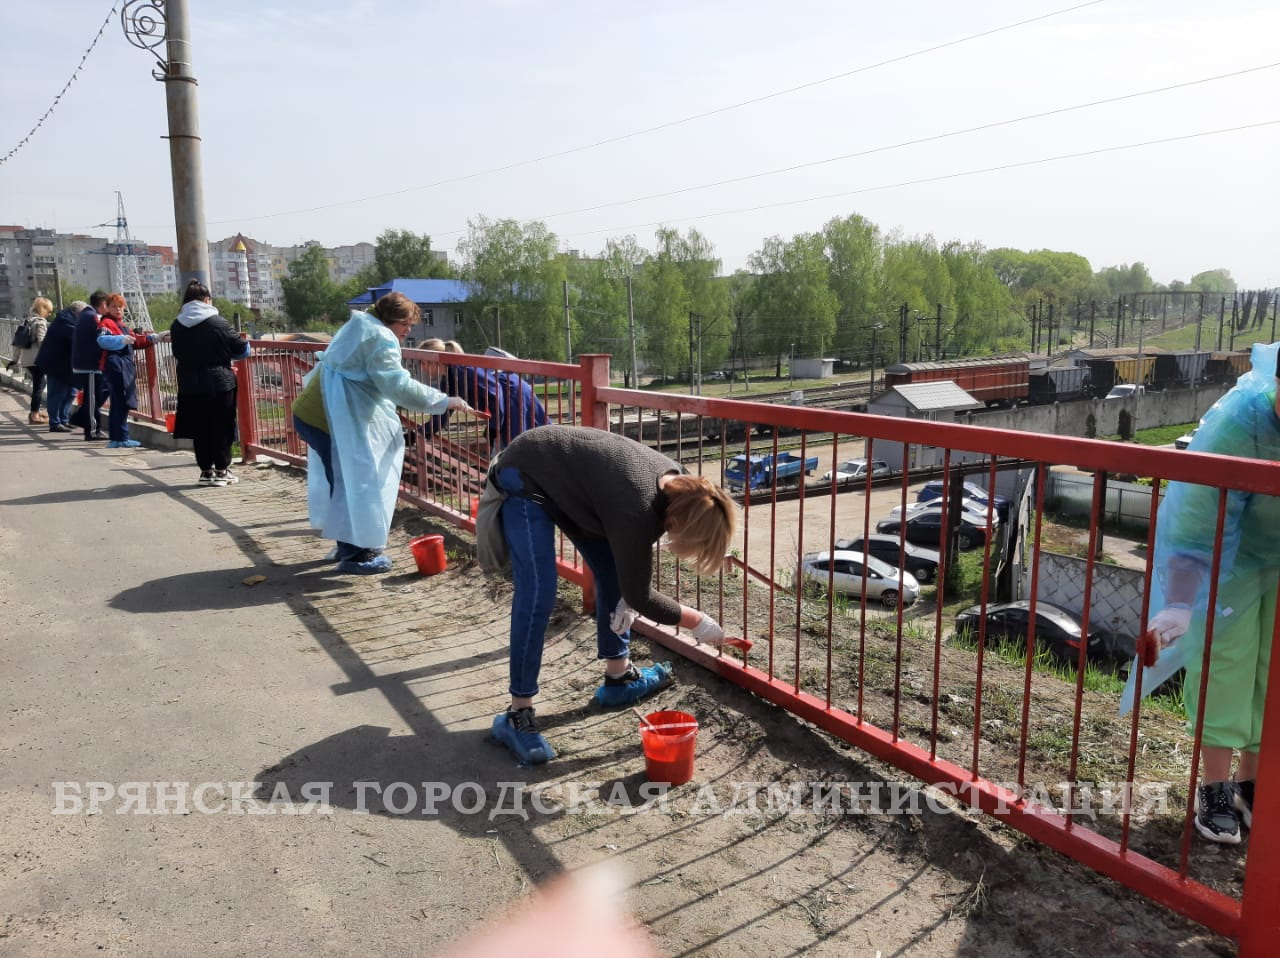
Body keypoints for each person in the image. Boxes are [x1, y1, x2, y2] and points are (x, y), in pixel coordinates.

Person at [487, 425, 737, 765]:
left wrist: (630, 591)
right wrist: (700, 623)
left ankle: (618, 679)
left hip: (579, 489)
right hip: (525, 473)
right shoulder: (636, 507)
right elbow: (641, 595)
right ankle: (517, 715)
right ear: (676, 524)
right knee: (538, 594)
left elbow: (631, 576)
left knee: (612, 574)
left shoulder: (687, 489)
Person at [1132, 340, 1280, 845]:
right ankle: (1216, 788)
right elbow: (1197, 523)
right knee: (1225, 665)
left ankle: (1252, 786)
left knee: (1272, 673)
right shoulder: (1239, 428)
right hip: (1229, 564)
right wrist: (1181, 601)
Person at [291, 292, 470, 575]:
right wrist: (443, 401)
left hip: (314, 413)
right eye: (406, 325)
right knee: (356, 482)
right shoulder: (380, 338)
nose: (408, 331)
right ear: (392, 321)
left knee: (344, 480)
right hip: (329, 419)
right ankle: (355, 555)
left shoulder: (360, 325)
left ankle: (350, 545)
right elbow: (397, 386)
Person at [170, 280, 250, 485]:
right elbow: (242, 349)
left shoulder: (177, 324)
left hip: (189, 383)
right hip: (219, 382)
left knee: (200, 429)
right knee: (222, 427)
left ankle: (206, 472)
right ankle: (222, 471)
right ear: (207, 300)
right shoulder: (219, 322)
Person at [421, 339, 549, 452]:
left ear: (434, 361)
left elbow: (495, 392)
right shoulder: (448, 379)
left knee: (520, 447)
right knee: (515, 449)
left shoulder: (461, 370)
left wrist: (493, 428)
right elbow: (443, 414)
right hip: (505, 400)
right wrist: (419, 433)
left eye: (423, 363)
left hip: (512, 395)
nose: (423, 368)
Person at [94, 292, 163, 448]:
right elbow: (102, 340)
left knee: (121, 402)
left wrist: (154, 338)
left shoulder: (122, 325)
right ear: (108, 308)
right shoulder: (106, 324)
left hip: (123, 366)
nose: (118, 309)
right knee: (120, 402)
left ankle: (119, 438)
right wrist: (120, 340)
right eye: (114, 307)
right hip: (115, 366)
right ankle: (119, 438)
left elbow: (136, 341)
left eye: (120, 307)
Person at [35, 301, 83, 433]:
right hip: (56, 365)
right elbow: (76, 337)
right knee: (57, 393)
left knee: (70, 393)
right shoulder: (65, 321)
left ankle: (63, 419)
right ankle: (55, 422)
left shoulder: (69, 320)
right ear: (77, 312)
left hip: (66, 365)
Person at [69, 291, 110, 441]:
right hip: (90, 365)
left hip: (86, 363)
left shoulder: (86, 315)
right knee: (92, 398)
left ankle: (81, 420)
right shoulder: (93, 317)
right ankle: (92, 431)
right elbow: (102, 338)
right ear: (103, 304)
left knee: (93, 397)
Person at [16, 296, 52, 424]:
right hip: (37, 359)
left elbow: (18, 342)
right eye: (48, 310)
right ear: (42, 309)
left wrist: (15, 359)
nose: (50, 313)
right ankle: (34, 415)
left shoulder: (27, 320)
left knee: (39, 384)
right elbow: (42, 341)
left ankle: (35, 412)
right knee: (40, 385)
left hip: (26, 359)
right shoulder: (40, 322)